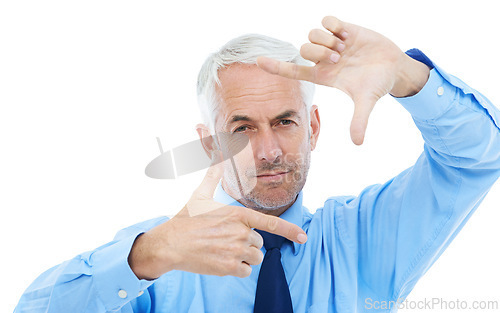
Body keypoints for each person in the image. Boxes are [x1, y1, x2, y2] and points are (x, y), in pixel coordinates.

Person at [15, 16, 500, 313]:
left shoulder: (363, 239)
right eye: (242, 128)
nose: (268, 150)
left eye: (285, 121)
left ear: (312, 127)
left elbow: (478, 156)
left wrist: (407, 77)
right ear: (209, 143)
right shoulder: (159, 255)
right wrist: (145, 257)